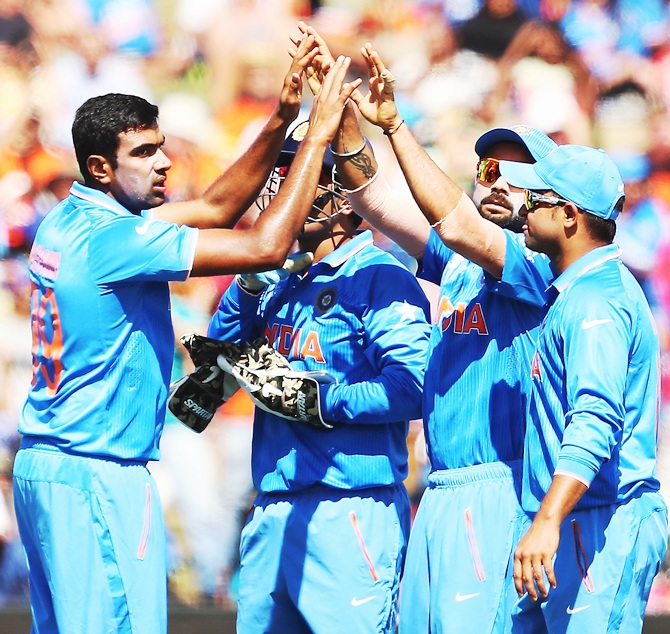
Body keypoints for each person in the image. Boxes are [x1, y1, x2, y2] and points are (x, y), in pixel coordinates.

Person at [12, 35, 361, 634]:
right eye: (144, 153)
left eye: (162, 147)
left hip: (52, 469)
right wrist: (319, 134)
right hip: (97, 474)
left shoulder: (74, 219)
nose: (164, 162)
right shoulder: (115, 240)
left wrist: (280, 119)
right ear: (100, 167)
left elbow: (220, 207)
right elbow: (264, 246)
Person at [293, 24, 555, 633]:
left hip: (499, 488)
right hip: (439, 487)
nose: (494, 180)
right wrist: (341, 115)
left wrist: (395, 127)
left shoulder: (536, 267)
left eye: (514, 172)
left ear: (551, 195)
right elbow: (376, 198)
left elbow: (456, 223)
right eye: (488, 167)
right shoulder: (461, 265)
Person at [205, 120, 432, 633]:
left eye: (304, 173)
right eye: (282, 172)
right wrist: (246, 284)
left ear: (346, 199)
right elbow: (211, 376)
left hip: (350, 510)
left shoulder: (380, 276)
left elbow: (415, 385)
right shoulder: (274, 280)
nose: (283, 186)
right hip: (271, 510)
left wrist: (323, 402)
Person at [499, 146, 668, 633]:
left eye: (535, 199)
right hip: (575, 519)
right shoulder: (577, 291)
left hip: (600, 523)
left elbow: (595, 420)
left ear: (569, 215)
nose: (523, 209)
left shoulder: (597, 299)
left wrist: (548, 519)